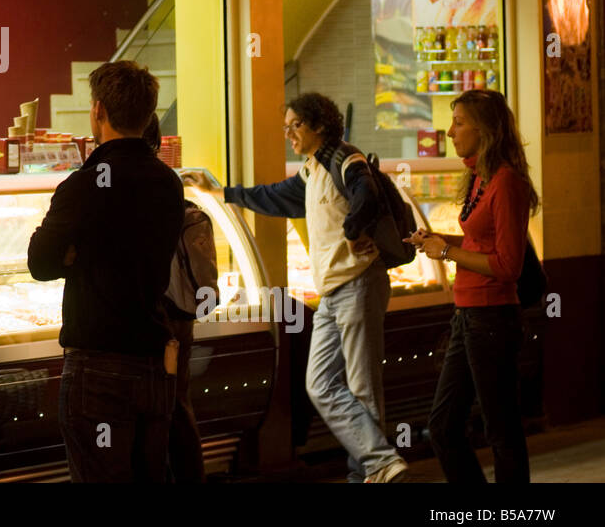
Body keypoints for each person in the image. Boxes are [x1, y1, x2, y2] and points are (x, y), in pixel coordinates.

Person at [183, 92, 408, 483]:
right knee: (319, 384)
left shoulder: (344, 157)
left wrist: (354, 231)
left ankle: (370, 472)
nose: (289, 133)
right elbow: (276, 197)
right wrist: (221, 193)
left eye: (295, 125)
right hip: (332, 293)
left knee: (362, 387)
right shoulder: (312, 169)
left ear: (319, 125)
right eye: (285, 127)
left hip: (359, 285)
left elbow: (366, 194)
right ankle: (381, 461)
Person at [29, 61, 184, 483]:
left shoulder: (83, 185)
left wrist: (76, 255)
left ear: (97, 110)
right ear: (149, 114)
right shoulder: (168, 182)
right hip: (154, 366)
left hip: (98, 370)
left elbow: (40, 262)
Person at [407, 89, 536, 483]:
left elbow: (508, 265)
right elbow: (483, 243)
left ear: (485, 130)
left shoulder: (506, 183)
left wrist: (445, 253)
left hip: (493, 318)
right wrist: (442, 240)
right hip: (468, 316)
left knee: (501, 430)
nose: (450, 131)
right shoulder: (480, 177)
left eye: (459, 123)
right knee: (444, 426)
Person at [142, 115, 205, 484]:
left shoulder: (141, 184)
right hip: (181, 316)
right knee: (178, 404)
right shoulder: (168, 183)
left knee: (164, 410)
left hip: (159, 318)